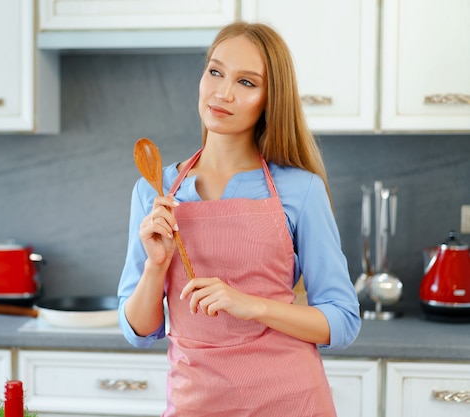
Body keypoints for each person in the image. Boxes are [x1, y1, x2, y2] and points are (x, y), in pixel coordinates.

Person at [118, 21, 361, 417]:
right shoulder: (154, 190)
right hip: (196, 401)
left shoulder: (301, 190)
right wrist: (155, 266)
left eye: (247, 83)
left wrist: (250, 305)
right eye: (215, 72)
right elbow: (140, 331)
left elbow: (342, 320)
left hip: (290, 399)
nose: (223, 93)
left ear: (269, 99)